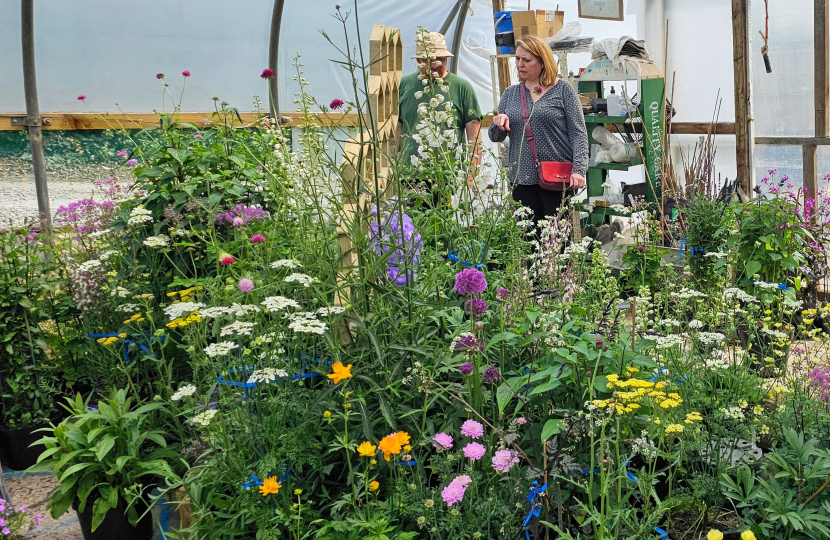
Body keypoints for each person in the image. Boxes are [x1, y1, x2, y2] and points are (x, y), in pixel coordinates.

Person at [488, 35, 588, 227]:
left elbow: (578, 134)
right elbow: (495, 137)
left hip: (557, 177)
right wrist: (498, 123)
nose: (520, 64)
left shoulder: (563, 90)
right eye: (517, 59)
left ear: (543, 62)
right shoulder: (511, 94)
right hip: (522, 178)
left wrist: (578, 170)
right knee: (529, 239)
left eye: (527, 60)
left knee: (556, 240)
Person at [397, 31, 483, 204]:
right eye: (430, 60)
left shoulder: (462, 88)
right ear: (420, 60)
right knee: (413, 228)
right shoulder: (404, 85)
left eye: (441, 59)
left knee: (447, 228)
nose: (436, 65)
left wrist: (471, 174)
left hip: (450, 175)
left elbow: (474, 137)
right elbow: (397, 129)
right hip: (411, 176)